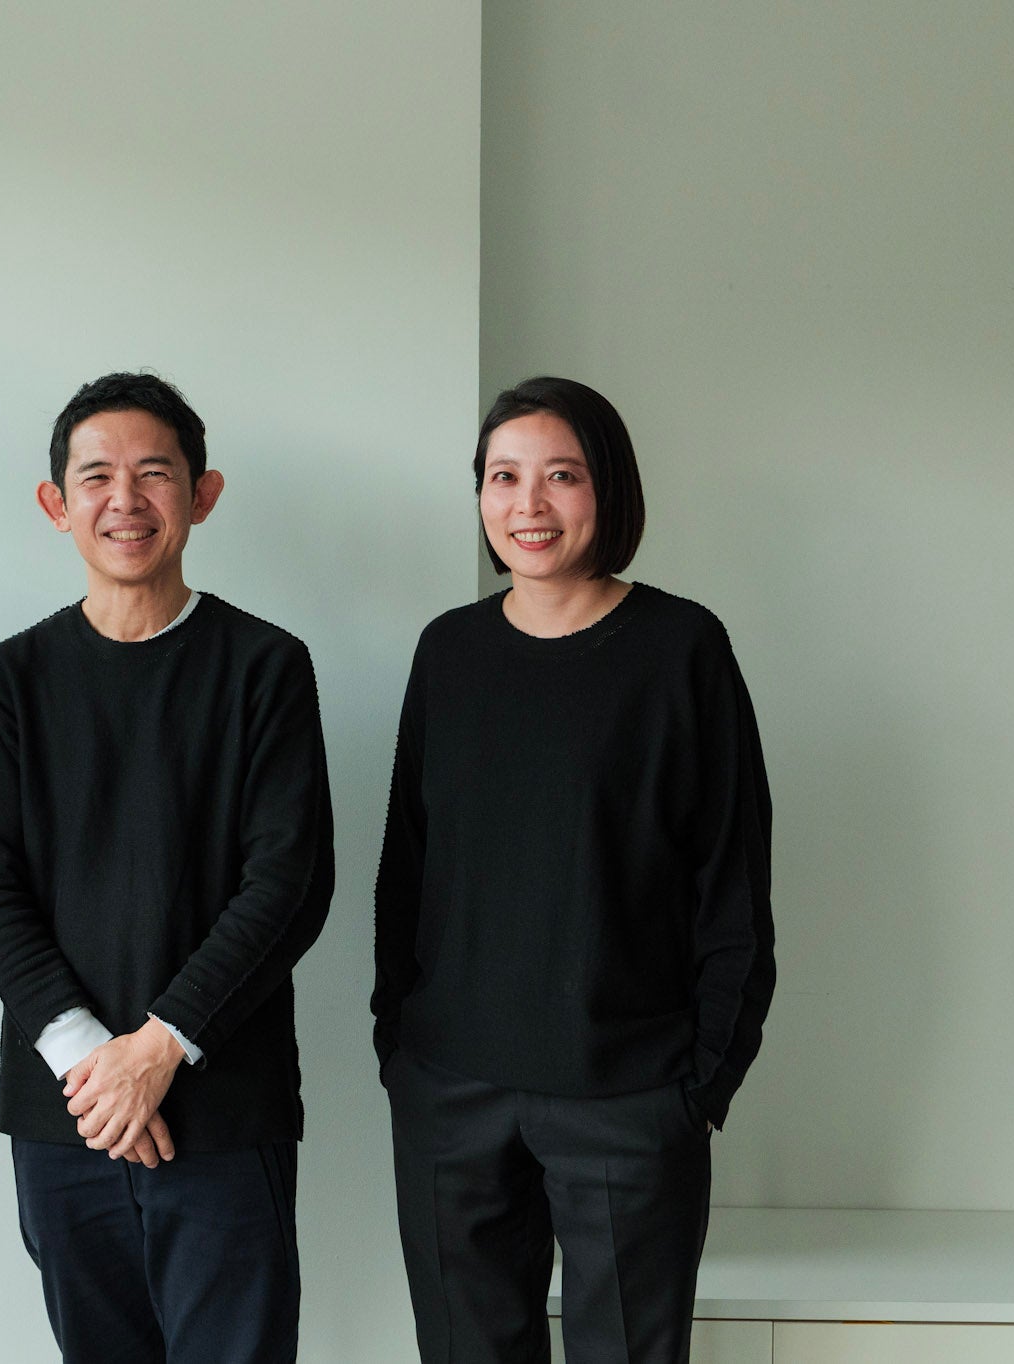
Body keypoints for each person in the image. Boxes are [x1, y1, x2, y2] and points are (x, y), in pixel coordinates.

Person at [373, 376, 775, 1364]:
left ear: (608, 489)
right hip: (450, 1093)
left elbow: (731, 882)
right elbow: (407, 869)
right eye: (503, 477)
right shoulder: (448, 651)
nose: (529, 504)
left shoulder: (681, 648)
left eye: (561, 475)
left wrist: (698, 1086)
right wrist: (401, 1047)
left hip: (627, 1093)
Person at [0, 372, 334, 1364]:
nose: (124, 500)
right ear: (57, 503)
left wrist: (159, 1049)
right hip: (66, 1115)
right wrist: (94, 1062)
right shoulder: (11, 680)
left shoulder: (265, 667)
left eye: (153, 473)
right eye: (96, 477)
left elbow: (287, 883)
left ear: (202, 494)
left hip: (222, 1109)